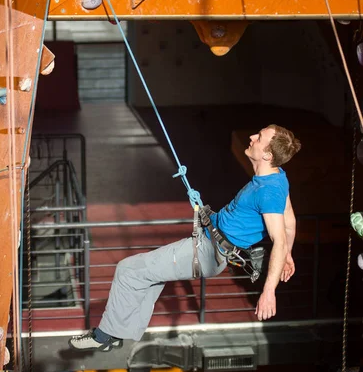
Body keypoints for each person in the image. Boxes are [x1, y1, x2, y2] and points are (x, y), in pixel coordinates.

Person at [69, 124, 301, 352]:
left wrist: (269, 291)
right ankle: (118, 332)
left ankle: (104, 336)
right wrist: (288, 255)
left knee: (127, 270)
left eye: (259, 137)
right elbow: (289, 221)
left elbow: (278, 238)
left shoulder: (267, 192)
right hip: (211, 243)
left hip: (208, 251)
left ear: (268, 154)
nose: (251, 136)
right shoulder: (278, 177)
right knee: (148, 276)